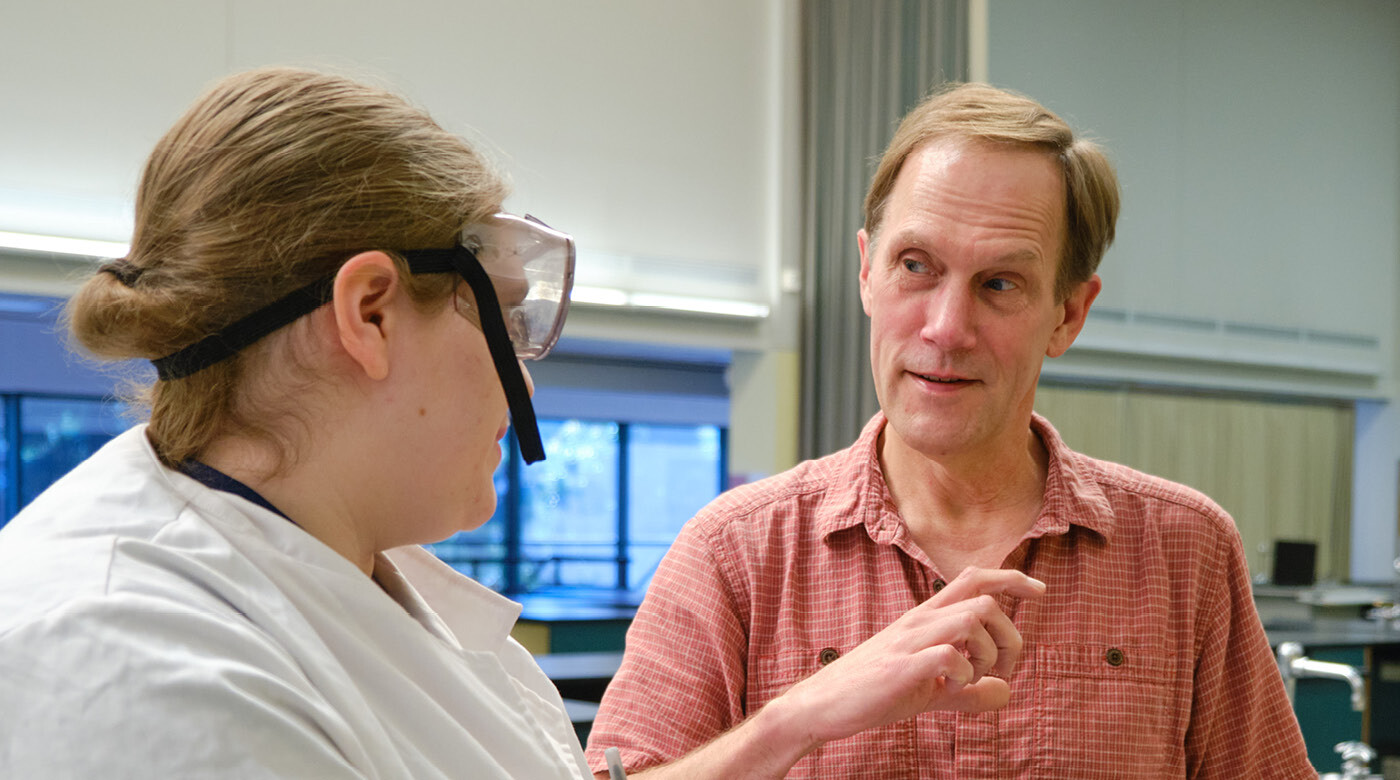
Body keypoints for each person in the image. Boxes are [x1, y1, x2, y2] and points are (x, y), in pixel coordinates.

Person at [0, 69, 1043, 779]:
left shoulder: (346, 571)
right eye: (500, 315)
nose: (525, 387)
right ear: (368, 314)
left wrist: (794, 723)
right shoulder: (134, 662)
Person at [586, 83, 1315, 778]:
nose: (946, 328)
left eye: (1000, 283)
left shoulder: (1185, 554)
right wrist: (793, 721)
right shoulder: (735, 555)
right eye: (916, 266)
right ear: (868, 272)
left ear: (1068, 313)